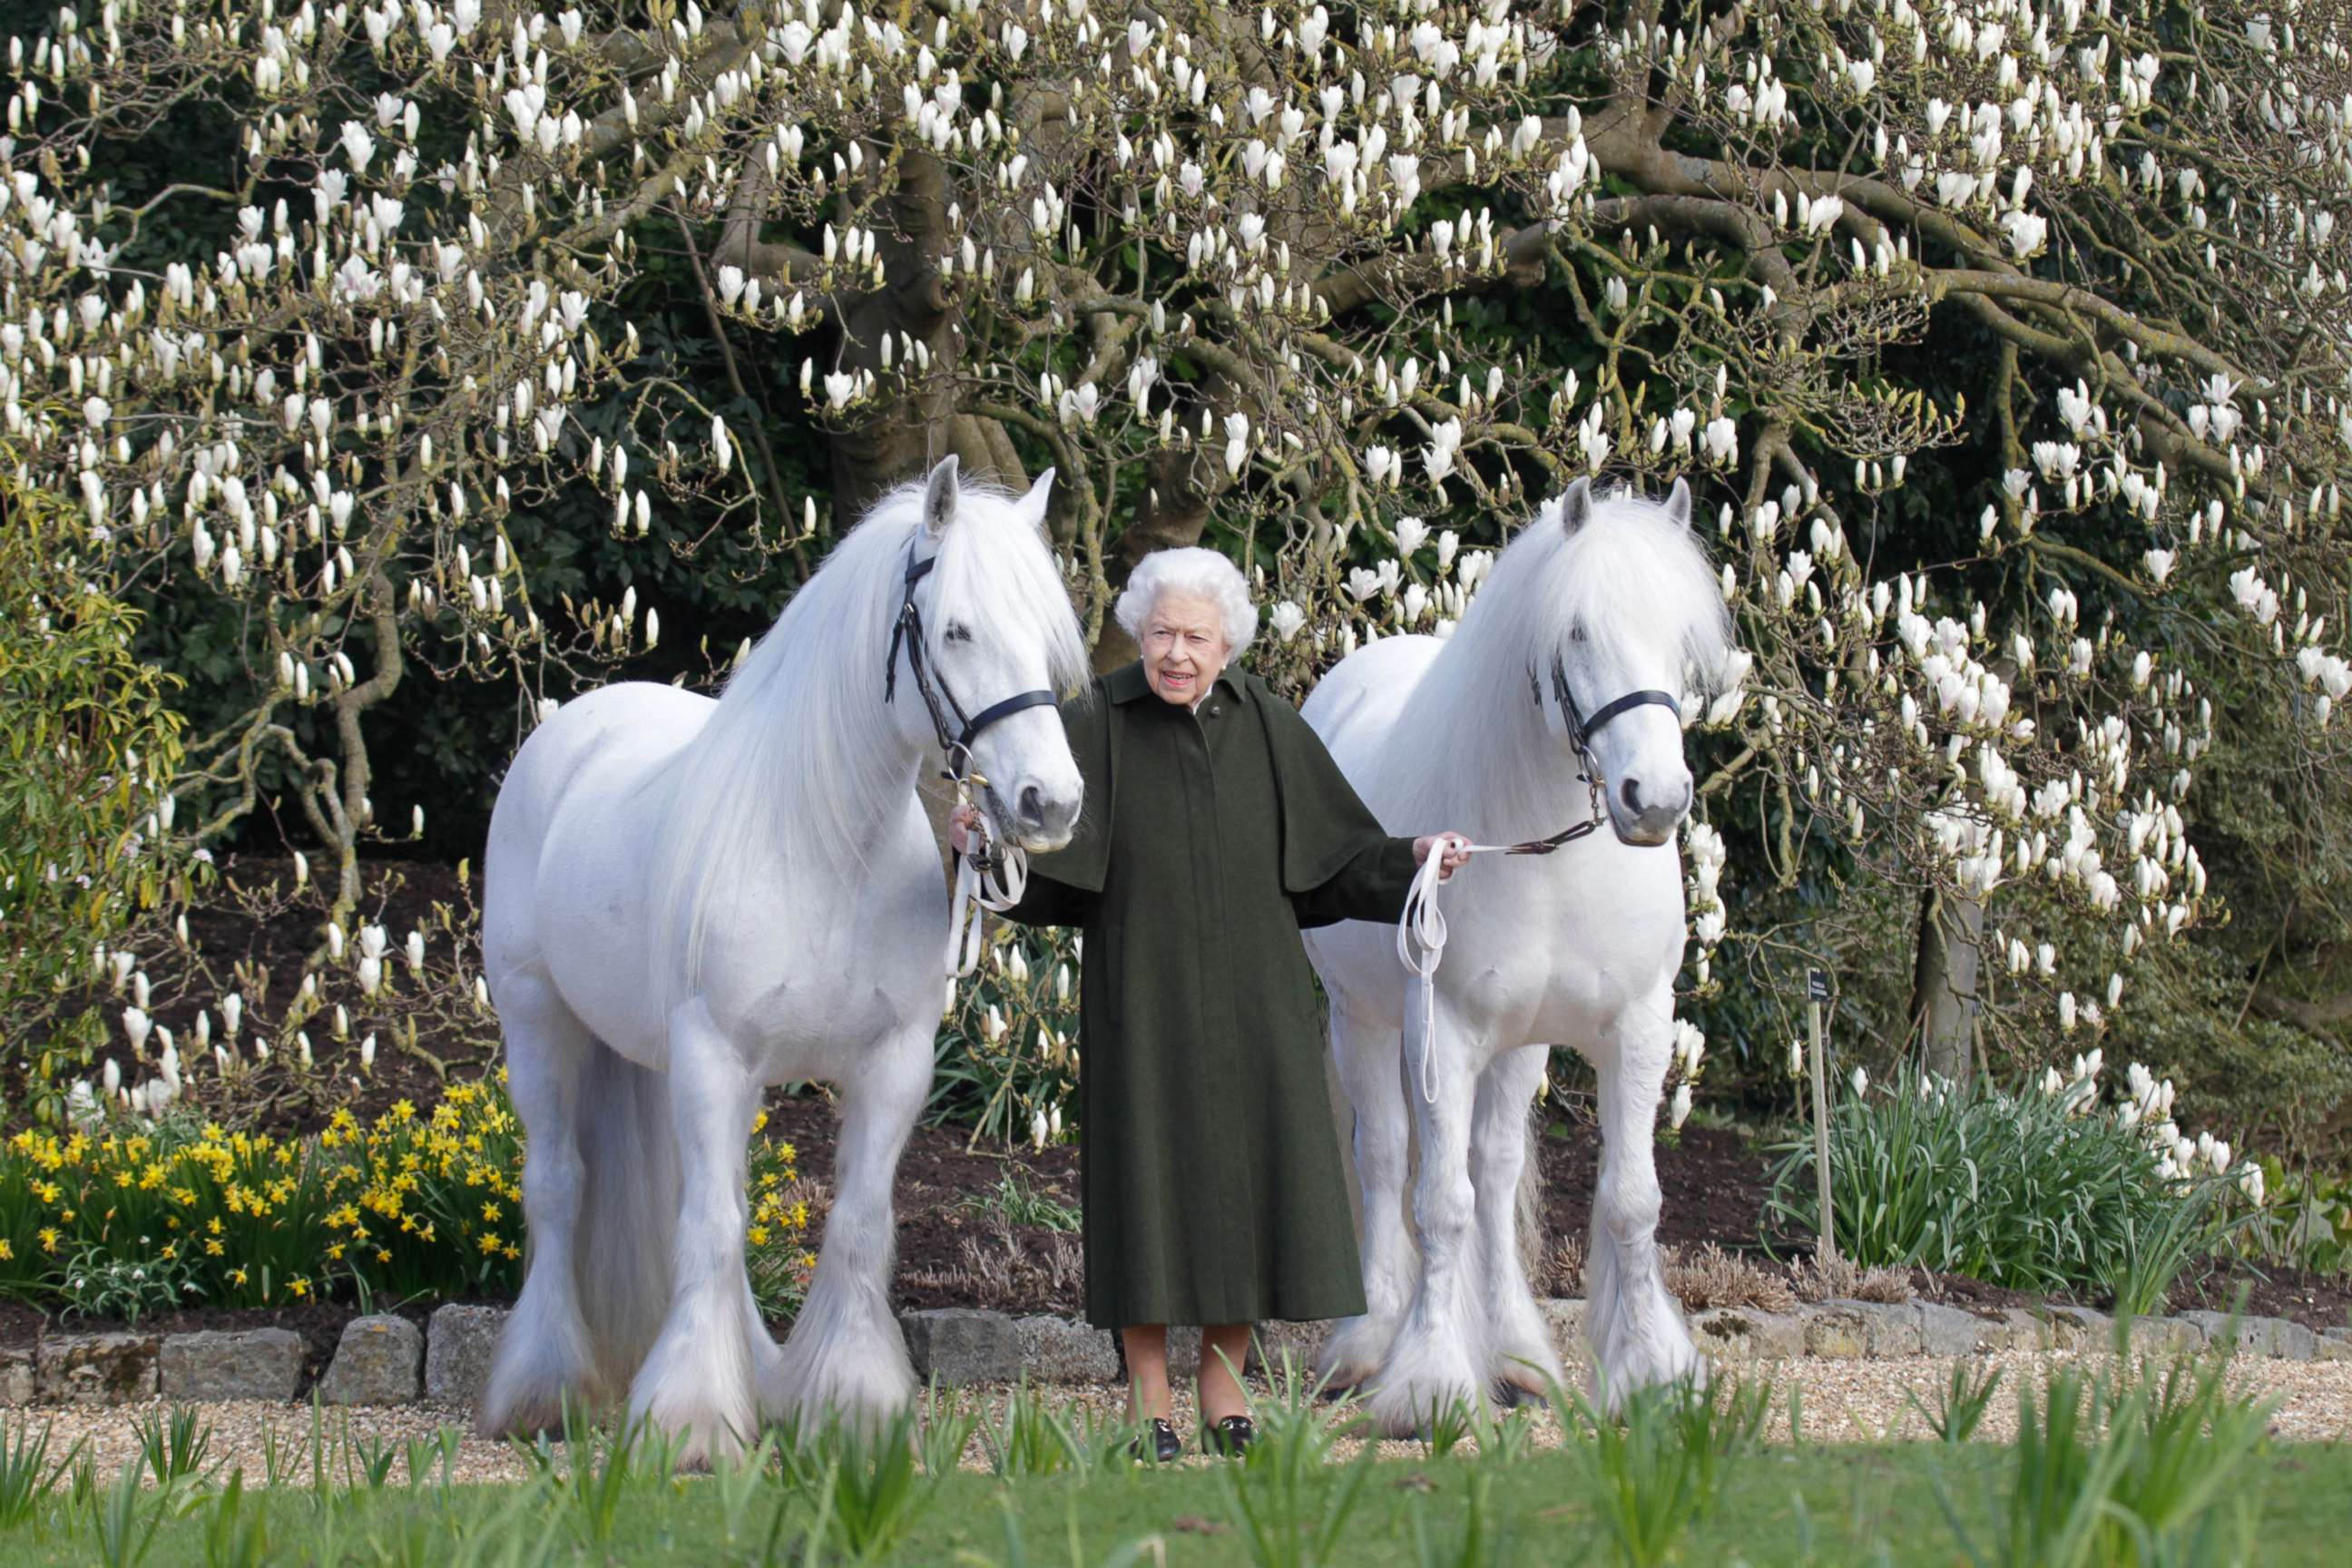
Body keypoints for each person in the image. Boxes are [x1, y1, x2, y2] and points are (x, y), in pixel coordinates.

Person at [951, 546, 1469, 1461]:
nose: (1176, 654)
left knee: (1249, 1192)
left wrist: (1419, 856)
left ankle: (1223, 1379)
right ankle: (1149, 1389)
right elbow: (1044, 876)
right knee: (1146, 1192)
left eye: (1194, 636)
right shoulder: (1096, 724)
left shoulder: (1270, 726)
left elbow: (1339, 863)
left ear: (1228, 643)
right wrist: (982, 848)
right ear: (1137, 637)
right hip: (1138, 1002)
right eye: (1160, 634)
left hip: (1257, 1005)